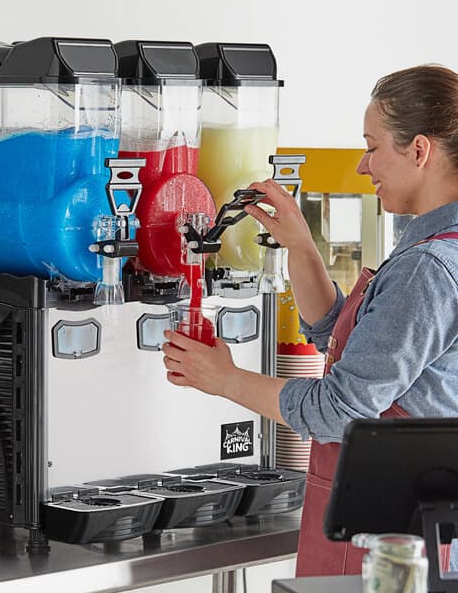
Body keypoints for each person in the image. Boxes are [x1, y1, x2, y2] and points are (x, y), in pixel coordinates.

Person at [162, 64, 458, 577]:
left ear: (419, 150)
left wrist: (226, 380)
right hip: (401, 527)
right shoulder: (432, 250)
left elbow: (341, 411)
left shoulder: (428, 269)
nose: (365, 167)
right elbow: (349, 340)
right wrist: (300, 246)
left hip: (383, 545)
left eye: (372, 146)